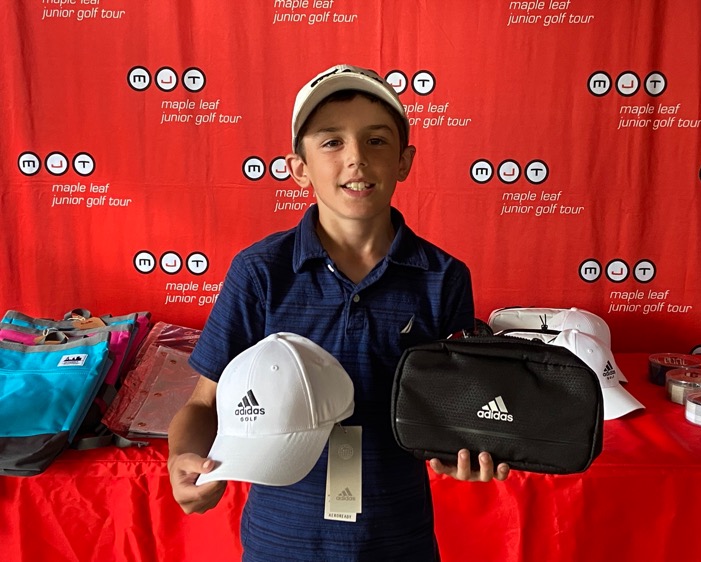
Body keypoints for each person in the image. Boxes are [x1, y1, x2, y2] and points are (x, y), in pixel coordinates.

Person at [167, 63, 510, 561]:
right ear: (299, 167)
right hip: (281, 541)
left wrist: (470, 447)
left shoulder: (443, 277)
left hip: (398, 539)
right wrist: (184, 458)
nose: (356, 158)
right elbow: (204, 404)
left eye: (376, 141)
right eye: (332, 142)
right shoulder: (260, 272)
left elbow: (458, 412)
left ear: (404, 161)